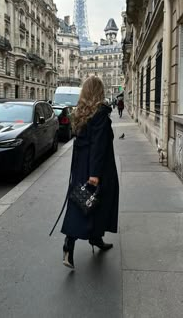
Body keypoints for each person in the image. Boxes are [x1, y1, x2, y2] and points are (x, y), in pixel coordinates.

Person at [61, 76, 119, 269]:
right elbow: (98, 146)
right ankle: (71, 244)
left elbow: (79, 143)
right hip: (97, 168)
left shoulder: (80, 112)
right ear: (99, 91)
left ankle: (93, 238)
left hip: (81, 167)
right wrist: (94, 174)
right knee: (93, 203)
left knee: (82, 202)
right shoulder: (100, 113)